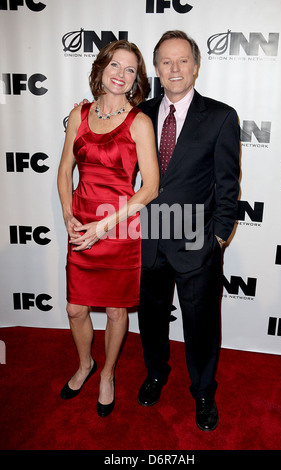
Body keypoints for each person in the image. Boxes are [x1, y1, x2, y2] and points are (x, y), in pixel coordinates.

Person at [136, 30, 240, 431]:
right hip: (147, 240)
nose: (175, 69)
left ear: (196, 66)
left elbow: (228, 185)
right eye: (166, 61)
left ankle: (202, 392)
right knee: (151, 317)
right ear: (156, 69)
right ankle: (157, 373)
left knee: (201, 324)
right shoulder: (139, 113)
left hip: (197, 241)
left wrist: (217, 237)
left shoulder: (220, 116)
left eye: (182, 61)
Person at [57, 40, 159, 418]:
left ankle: (108, 374)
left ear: (136, 80)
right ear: (101, 69)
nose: (121, 74)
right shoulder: (80, 114)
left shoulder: (140, 122)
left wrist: (105, 225)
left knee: (117, 312)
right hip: (83, 224)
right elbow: (65, 169)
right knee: (74, 307)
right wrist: (69, 213)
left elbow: (149, 187)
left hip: (117, 226)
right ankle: (85, 364)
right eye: (115, 65)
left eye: (130, 70)